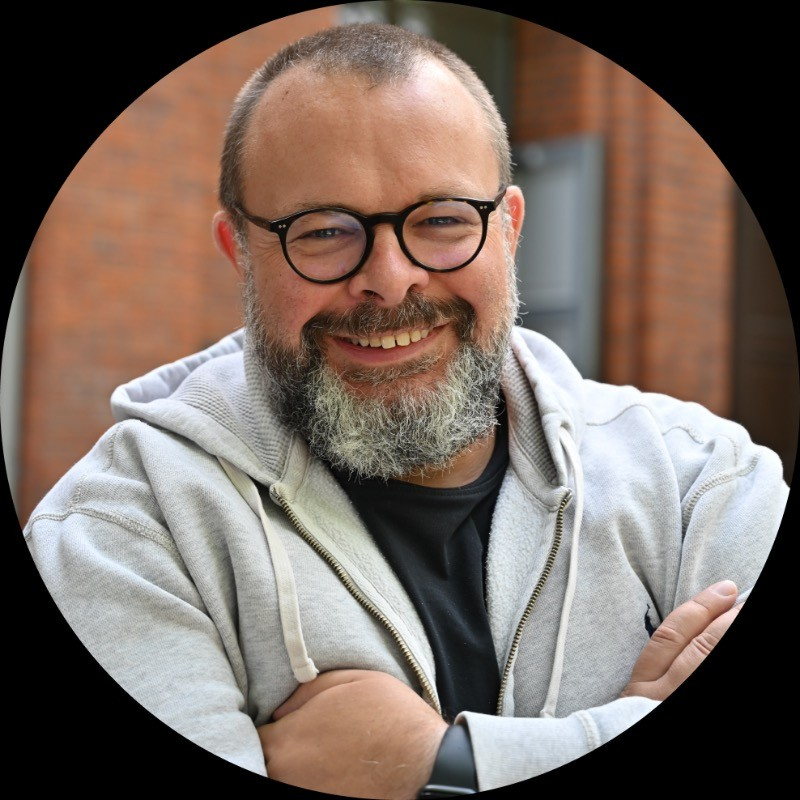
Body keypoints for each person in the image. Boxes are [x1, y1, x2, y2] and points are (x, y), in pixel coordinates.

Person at [22, 21, 788, 799]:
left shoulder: (702, 488)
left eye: (443, 220)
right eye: (324, 232)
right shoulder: (120, 535)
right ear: (240, 253)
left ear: (508, 230)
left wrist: (440, 767)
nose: (389, 280)